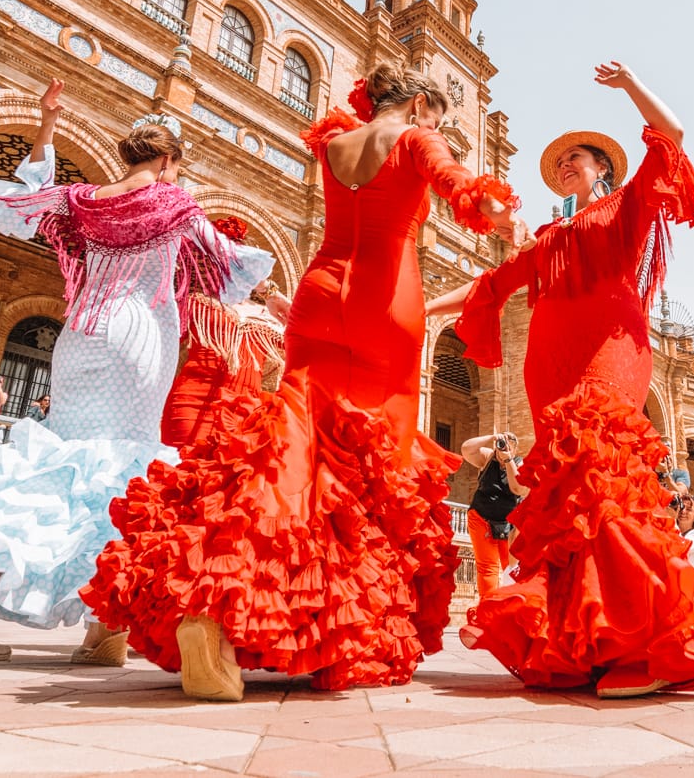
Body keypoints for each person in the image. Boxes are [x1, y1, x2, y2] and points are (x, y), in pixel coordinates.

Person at [83, 65, 523, 701]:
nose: (439, 129)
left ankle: (215, 604)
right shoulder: (417, 138)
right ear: (421, 104)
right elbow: (463, 189)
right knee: (374, 469)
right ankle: (327, 626)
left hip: (320, 291)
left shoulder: (335, 143)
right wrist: (499, 213)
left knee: (293, 446)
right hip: (384, 302)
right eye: (437, 118)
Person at [0, 80, 273, 666]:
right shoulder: (176, 204)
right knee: (125, 471)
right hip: (137, 336)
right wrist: (276, 300)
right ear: (168, 160)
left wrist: (47, 125)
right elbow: (225, 265)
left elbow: (21, 204)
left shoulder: (85, 200)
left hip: (78, 336)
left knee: (53, 465)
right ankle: (103, 628)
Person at [430, 62, 694, 698]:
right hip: (549, 363)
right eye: (559, 163)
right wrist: (420, 307)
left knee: (603, 474)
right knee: (568, 498)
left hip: (611, 346)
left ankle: (646, 645)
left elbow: (673, 135)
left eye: (577, 158)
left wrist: (632, 84)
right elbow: (488, 287)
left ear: (601, 169)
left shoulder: (626, 206)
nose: (565, 166)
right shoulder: (548, 236)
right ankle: (593, 642)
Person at [160, 217, 291, 450]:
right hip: (190, 406)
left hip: (245, 418)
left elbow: (307, 347)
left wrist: (271, 293)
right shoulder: (195, 303)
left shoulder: (269, 316)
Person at [462, 431, 528, 597]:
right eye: (502, 444)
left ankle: (510, 604)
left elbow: (518, 488)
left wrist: (508, 460)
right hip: (481, 517)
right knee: (487, 568)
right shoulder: (488, 457)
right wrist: (492, 438)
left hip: (508, 525)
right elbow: (466, 449)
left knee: (511, 566)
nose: (503, 447)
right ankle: (487, 609)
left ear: (515, 449)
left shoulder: (520, 464)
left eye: (508, 445)